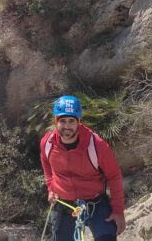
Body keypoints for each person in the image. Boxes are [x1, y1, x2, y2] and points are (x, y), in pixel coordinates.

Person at [40, 95, 126, 241]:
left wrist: (118, 211)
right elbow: (47, 168)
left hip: (95, 204)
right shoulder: (47, 143)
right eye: (62, 121)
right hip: (64, 204)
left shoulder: (96, 145)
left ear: (79, 122)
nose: (67, 126)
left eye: (71, 121)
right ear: (56, 121)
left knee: (107, 237)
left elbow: (114, 176)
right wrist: (51, 188)